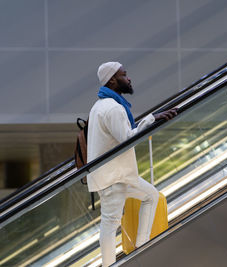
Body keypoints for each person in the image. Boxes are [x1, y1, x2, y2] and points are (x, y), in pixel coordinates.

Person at [87, 62, 177, 266]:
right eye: (124, 75)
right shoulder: (112, 108)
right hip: (113, 178)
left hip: (118, 175)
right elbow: (127, 138)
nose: (129, 79)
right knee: (110, 224)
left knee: (151, 196)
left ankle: (141, 247)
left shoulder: (101, 106)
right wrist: (152, 119)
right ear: (112, 79)